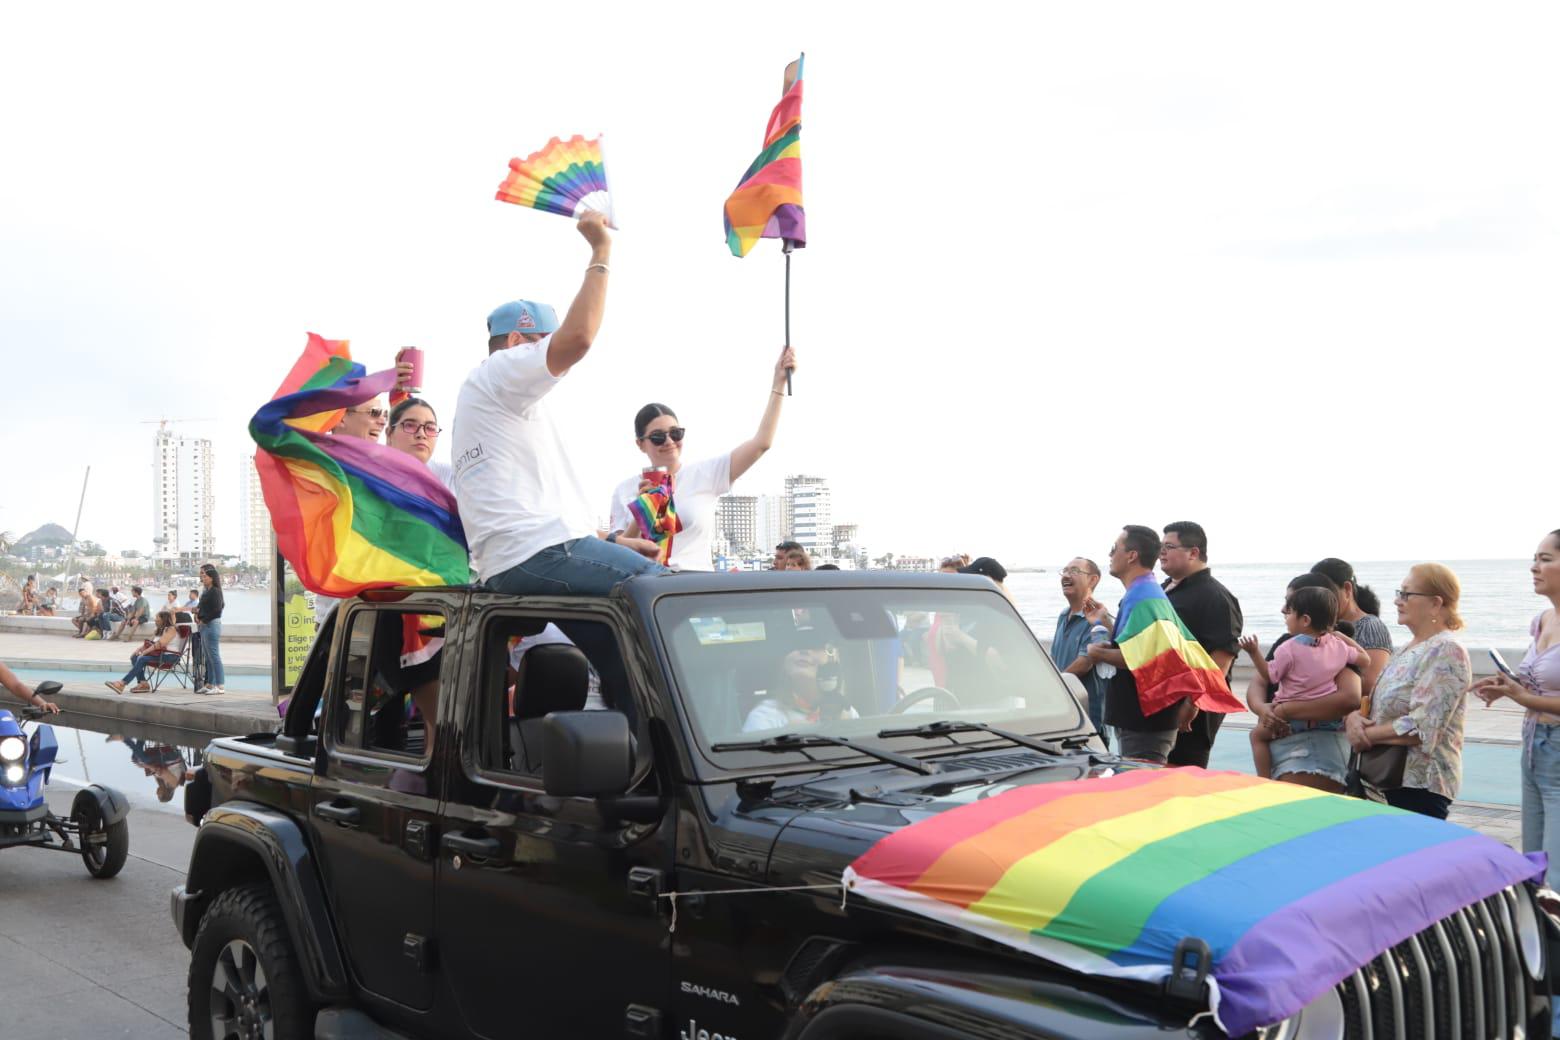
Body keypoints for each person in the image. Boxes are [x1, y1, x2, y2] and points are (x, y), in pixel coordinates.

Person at [450, 211, 665, 598]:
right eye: (544, 341)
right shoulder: (500, 369)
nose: (551, 352)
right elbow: (579, 338)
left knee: (618, 636)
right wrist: (601, 250)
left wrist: (613, 542)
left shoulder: (492, 402)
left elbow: (531, 509)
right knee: (666, 592)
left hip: (515, 559)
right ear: (516, 342)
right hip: (538, 552)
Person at [609, 349, 798, 572]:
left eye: (676, 433)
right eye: (658, 437)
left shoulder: (705, 474)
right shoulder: (625, 490)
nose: (669, 441)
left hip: (694, 582)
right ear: (640, 443)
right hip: (647, 584)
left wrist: (778, 384)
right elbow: (617, 556)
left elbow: (761, 444)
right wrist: (642, 509)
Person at [1345, 563, 1470, 819]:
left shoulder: (1446, 649)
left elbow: (1423, 726)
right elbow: (1380, 705)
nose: (1397, 600)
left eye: (1406, 594)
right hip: (1389, 779)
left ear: (1435, 603)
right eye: (1399, 593)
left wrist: (1366, 735)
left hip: (1420, 784)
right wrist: (1355, 719)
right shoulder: (1408, 648)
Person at [1473, 529, 1560, 888]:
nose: (1534, 567)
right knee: (1533, 865)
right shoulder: (1543, 620)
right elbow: (1537, 680)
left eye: (1545, 559)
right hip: (1533, 745)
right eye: (1534, 559)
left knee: (1556, 872)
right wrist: (1506, 687)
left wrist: (1521, 697)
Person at [1089, 526, 1198, 763]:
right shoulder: (1143, 592)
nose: (1110, 555)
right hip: (1140, 718)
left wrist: (1098, 654)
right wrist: (1105, 623)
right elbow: (1137, 645)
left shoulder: (1144, 596)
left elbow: (1144, 657)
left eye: (1114, 548)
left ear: (1132, 555)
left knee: (1144, 782)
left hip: (1145, 721)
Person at [1240, 585, 1369, 778]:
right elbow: (1365, 660)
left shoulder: (1288, 649)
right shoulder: (1338, 646)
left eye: (1290, 612)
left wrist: (1254, 653)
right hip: (1327, 721)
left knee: (1256, 736)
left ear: (1305, 620)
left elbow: (1270, 675)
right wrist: (1342, 637)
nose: (1285, 615)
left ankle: (1264, 780)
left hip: (1290, 718)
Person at [1159, 522, 1243, 768]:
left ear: (1193, 553)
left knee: (1181, 775)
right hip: (1162, 698)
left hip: (1191, 707)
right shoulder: (1164, 589)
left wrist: (1192, 702)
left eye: (1169, 547)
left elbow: (1221, 659)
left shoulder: (1215, 596)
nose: (1161, 553)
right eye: (1161, 547)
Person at [1050, 557, 1113, 742]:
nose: (1066, 575)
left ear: (1093, 580)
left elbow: (1085, 663)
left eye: (1075, 571)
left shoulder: (1099, 619)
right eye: (1065, 570)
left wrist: (1054, 685)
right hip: (1064, 713)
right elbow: (1055, 657)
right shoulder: (1063, 615)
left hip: (1089, 721)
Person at [1311, 558, 1393, 699]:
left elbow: (1370, 683)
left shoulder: (1370, 626)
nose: (1320, 600)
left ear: (1347, 589)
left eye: (1325, 593)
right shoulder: (1322, 626)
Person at [743, 642, 856, 731]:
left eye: (816, 644)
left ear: (833, 659)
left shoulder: (847, 713)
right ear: (784, 663)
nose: (804, 650)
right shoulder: (765, 715)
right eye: (795, 643)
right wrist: (786, 739)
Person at [105, 610, 183, 694]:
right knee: (135, 657)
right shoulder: (160, 629)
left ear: (163, 619)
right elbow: (150, 643)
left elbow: (160, 644)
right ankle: (143, 684)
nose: (155, 620)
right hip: (160, 655)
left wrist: (144, 652)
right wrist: (139, 649)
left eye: (157, 618)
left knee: (142, 658)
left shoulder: (171, 629)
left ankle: (122, 683)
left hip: (171, 657)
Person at [194, 564, 226, 695]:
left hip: (211, 625)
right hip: (204, 626)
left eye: (205, 576)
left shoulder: (215, 591)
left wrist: (204, 620)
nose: (202, 578)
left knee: (214, 656)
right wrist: (197, 615)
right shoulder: (206, 591)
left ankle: (220, 685)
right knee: (208, 657)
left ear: (212, 578)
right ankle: (210, 684)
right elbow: (202, 607)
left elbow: (218, 610)